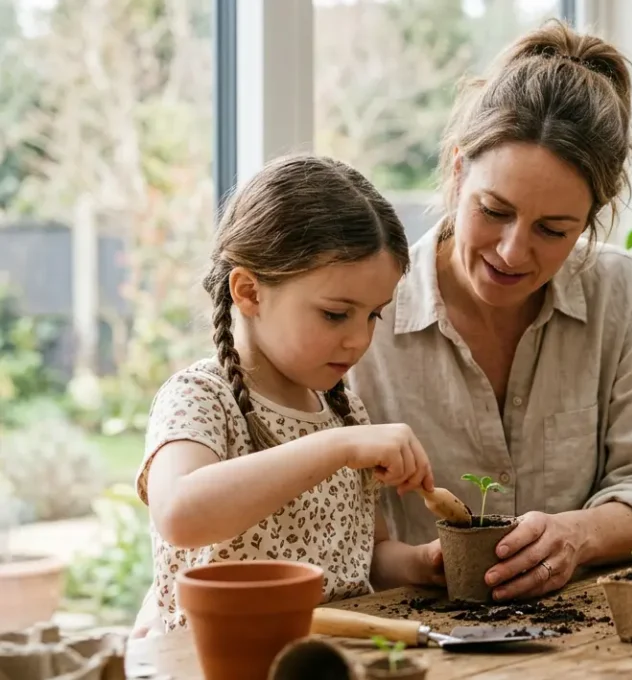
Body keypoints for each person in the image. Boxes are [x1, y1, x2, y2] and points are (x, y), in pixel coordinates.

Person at [347, 20, 632, 602]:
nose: (513, 251)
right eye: (494, 210)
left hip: (588, 639)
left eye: (553, 230)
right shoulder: (365, 313)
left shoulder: (622, 297)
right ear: (459, 172)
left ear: (589, 220)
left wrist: (577, 535)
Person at [132, 155, 445, 635]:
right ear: (250, 292)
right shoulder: (200, 397)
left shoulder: (343, 411)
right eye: (336, 314)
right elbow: (179, 513)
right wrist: (336, 449)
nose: (359, 340)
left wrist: (422, 563)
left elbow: (368, 557)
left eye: (373, 316)